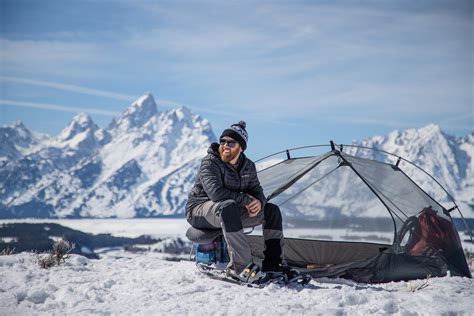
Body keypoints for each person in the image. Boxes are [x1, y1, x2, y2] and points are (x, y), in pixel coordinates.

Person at [185, 121, 298, 284]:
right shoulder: (210, 163)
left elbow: (257, 190)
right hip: (199, 210)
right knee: (227, 206)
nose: (224, 145)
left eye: (231, 143)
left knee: (271, 210)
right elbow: (216, 194)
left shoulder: (248, 166)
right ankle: (240, 267)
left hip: (228, 210)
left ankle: (273, 264)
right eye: (222, 141)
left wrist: (259, 202)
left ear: (241, 147)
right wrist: (246, 200)